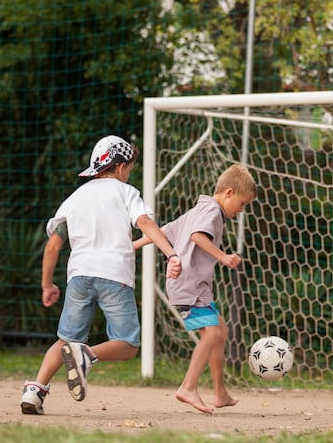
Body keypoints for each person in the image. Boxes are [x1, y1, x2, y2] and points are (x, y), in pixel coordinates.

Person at [20, 135, 181, 415]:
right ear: (120, 167)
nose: (128, 173)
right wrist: (171, 254)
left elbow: (53, 246)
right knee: (128, 344)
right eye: (129, 168)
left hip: (79, 276)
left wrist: (47, 285)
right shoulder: (126, 192)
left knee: (66, 339)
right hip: (114, 275)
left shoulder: (75, 198)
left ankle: (35, 391)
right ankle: (87, 355)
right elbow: (144, 222)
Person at [160, 164, 256, 414]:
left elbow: (164, 231)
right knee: (212, 334)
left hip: (194, 287)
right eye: (242, 203)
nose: (242, 210)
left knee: (220, 330)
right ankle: (188, 387)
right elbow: (197, 237)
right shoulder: (212, 211)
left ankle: (220, 393)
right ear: (228, 193)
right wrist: (223, 257)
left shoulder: (200, 208)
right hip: (189, 286)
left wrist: (132, 245)